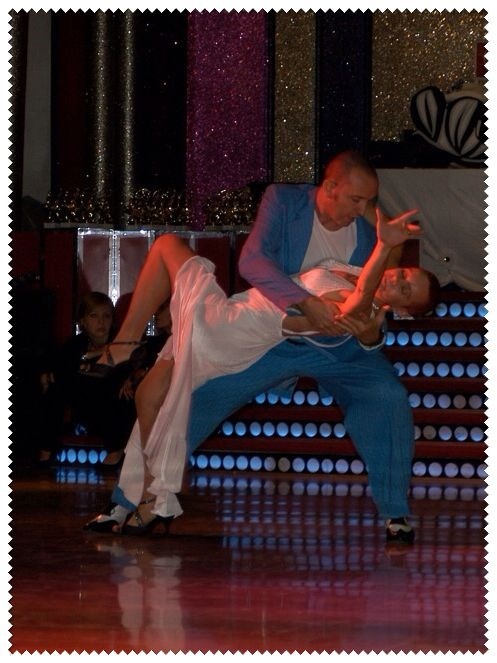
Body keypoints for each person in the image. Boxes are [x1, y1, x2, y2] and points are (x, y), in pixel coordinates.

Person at [84, 188, 433, 542]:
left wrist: (374, 319)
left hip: (307, 346)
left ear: (402, 310)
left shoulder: (363, 297)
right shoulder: (293, 205)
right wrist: (376, 227)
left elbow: (362, 312)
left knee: (388, 396)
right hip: (257, 337)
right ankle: (130, 500)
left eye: (405, 290)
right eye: (404, 275)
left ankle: (395, 512)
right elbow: (259, 260)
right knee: (160, 399)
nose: (398, 279)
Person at [37, 291, 139, 467]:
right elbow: (62, 369)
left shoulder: (120, 341)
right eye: (94, 316)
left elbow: (129, 367)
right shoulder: (75, 344)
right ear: (83, 321)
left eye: (106, 316)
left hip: (112, 400)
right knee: (55, 389)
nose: (101, 322)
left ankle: (116, 451)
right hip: (84, 402)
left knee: (112, 389)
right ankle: (46, 450)